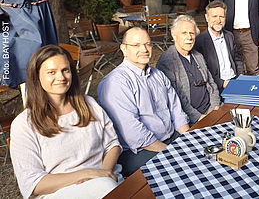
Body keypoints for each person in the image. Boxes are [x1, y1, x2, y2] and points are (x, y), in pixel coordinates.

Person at [11, 45, 122, 199]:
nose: (61, 77)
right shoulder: (24, 124)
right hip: (58, 193)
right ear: (36, 77)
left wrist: (104, 174)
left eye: (65, 70)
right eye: (51, 72)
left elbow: (113, 145)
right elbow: (33, 184)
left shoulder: (89, 104)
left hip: (106, 183)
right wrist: (87, 174)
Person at [98, 27, 190, 177]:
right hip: (139, 151)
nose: (144, 49)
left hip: (169, 137)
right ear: (124, 49)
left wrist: (188, 138)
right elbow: (134, 134)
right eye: (136, 45)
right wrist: (170, 152)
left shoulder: (158, 75)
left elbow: (175, 109)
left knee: (201, 153)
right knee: (182, 171)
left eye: (148, 44)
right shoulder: (116, 83)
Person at [157, 15, 221, 125]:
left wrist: (214, 109)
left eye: (191, 33)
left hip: (211, 111)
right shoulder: (167, 61)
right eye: (184, 33)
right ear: (174, 35)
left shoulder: (198, 56)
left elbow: (212, 84)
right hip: (191, 119)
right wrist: (199, 117)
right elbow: (176, 99)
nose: (189, 37)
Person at [194, 1, 244, 93]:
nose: (218, 20)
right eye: (214, 16)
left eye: (221, 16)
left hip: (235, 81)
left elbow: (237, 59)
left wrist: (240, 77)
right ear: (207, 17)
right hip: (216, 87)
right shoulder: (200, 41)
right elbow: (202, 71)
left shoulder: (229, 36)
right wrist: (222, 83)